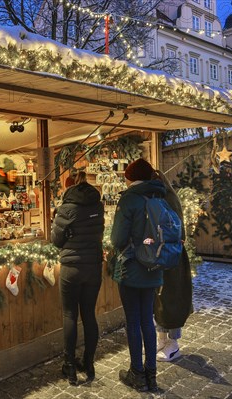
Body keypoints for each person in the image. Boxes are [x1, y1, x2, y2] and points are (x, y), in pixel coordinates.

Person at [110, 158, 163, 392]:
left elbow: (117, 239)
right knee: (147, 320)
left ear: (129, 177)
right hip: (153, 266)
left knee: (133, 322)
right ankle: (151, 373)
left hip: (131, 268)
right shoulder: (160, 195)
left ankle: (137, 373)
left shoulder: (129, 198)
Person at [51, 171, 105, 385]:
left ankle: (69, 366)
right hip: (93, 266)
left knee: (70, 315)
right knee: (89, 314)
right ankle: (89, 362)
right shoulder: (97, 205)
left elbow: (56, 239)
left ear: (69, 188)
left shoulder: (66, 208)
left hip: (71, 267)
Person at [152, 170, 193, 362]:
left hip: (171, 256)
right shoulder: (164, 198)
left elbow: (176, 232)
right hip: (165, 255)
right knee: (160, 300)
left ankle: (173, 343)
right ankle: (161, 339)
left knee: (172, 299)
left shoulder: (166, 200)